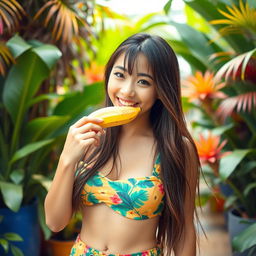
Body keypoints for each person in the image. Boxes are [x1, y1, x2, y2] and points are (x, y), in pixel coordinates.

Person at [44, 33, 201, 256]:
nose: (127, 91)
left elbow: (184, 230)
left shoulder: (175, 148)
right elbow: (54, 222)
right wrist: (67, 159)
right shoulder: (87, 136)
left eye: (143, 81)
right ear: (108, 76)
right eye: (120, 75)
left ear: (160, 90)